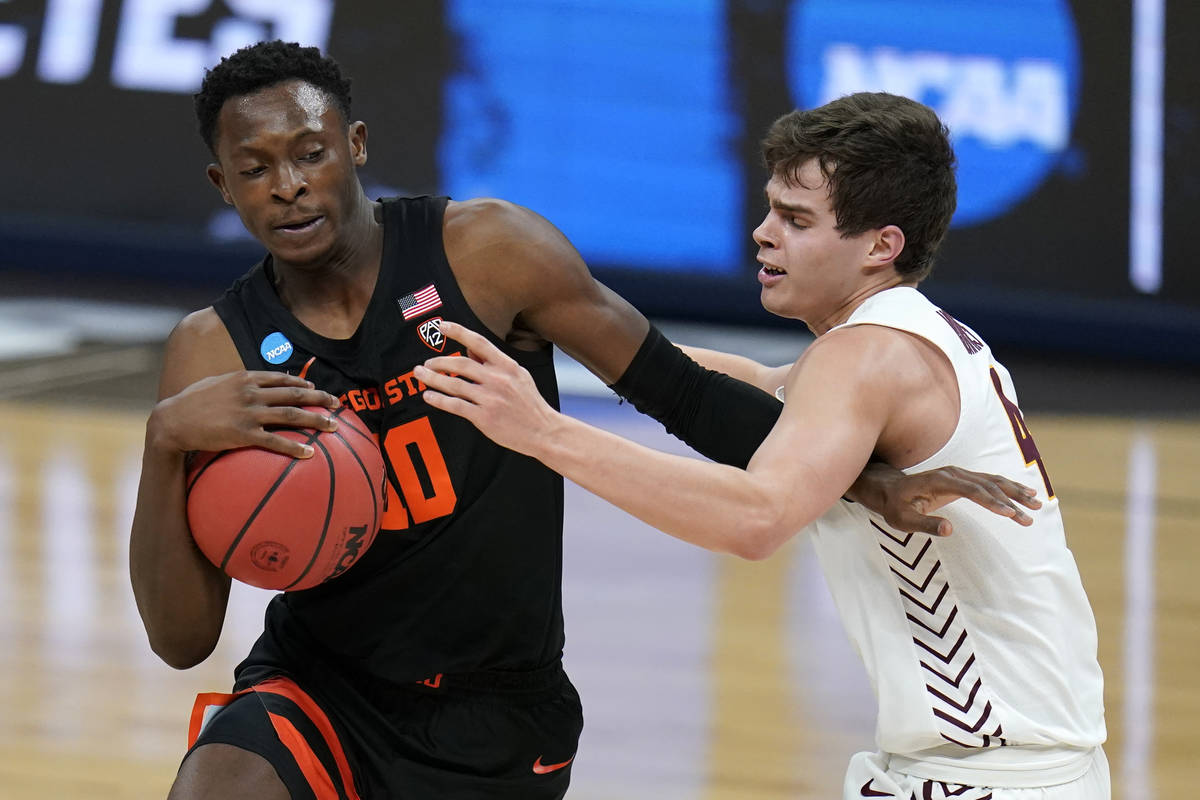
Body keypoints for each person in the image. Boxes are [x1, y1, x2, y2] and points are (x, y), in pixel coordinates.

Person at [129, 41, 1040, 800]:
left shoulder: (485, 252)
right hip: (320, 687)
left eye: (309, 154)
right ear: (222, 184)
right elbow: (182, 640)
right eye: (255, 169)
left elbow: (674, 389)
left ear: (357, 145)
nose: (286, 185)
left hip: (502, 708)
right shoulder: (216, 349)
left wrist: (868, 480)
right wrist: (165, 441)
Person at [418, 92, 1109, 799]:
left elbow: (753, 518)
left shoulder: (865, 357)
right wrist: (558, 329)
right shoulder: (920, 340)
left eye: (796, 219)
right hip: (1024, 763)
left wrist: (544, 431)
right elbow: (745, 384)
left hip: (990, 774)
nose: (762, 233)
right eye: (772, 207)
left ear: (881, 246)